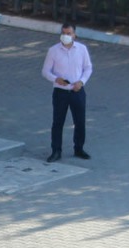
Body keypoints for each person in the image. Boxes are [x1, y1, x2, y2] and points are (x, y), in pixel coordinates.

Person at [41, 23, 91, 163]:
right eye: (63, 33)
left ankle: (79, 148)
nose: (66, 36)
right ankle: (56, 150)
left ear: (74, 34)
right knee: (58, 122)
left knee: (79, 121)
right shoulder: (54, 51)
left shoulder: (81, 49)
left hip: (77, 90)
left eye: (69, 33)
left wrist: (81, 82)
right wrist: (56, 79)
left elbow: (88, 68)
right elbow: (45, 71)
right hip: (60, 92)